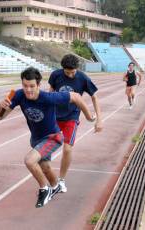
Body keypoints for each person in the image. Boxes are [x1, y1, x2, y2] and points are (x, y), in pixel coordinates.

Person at [0, 67, 96, 208]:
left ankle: (45, 189)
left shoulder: (48, 97)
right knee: (45, 167)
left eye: (32, 86)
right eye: (25, 86)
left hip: (52, 137)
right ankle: (56, 186)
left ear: (38, 85)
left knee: (30, 161)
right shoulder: (18, 95)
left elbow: (76, 97)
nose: (28, 90)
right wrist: (1, 107)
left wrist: (88, 116)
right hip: (36, 139)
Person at [48, 54, 103, 193]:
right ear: (63, 69)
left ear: (77, 69)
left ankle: (61, 180)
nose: (71, 75)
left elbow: (94, 97)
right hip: (54, 117)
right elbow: (50, 93)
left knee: (67, 149)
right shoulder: (55, 75)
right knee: (46, 148)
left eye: (73, 72)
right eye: (68, 73)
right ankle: (49, 178)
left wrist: (99, 120)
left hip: (71, 118)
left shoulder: (83, 78)